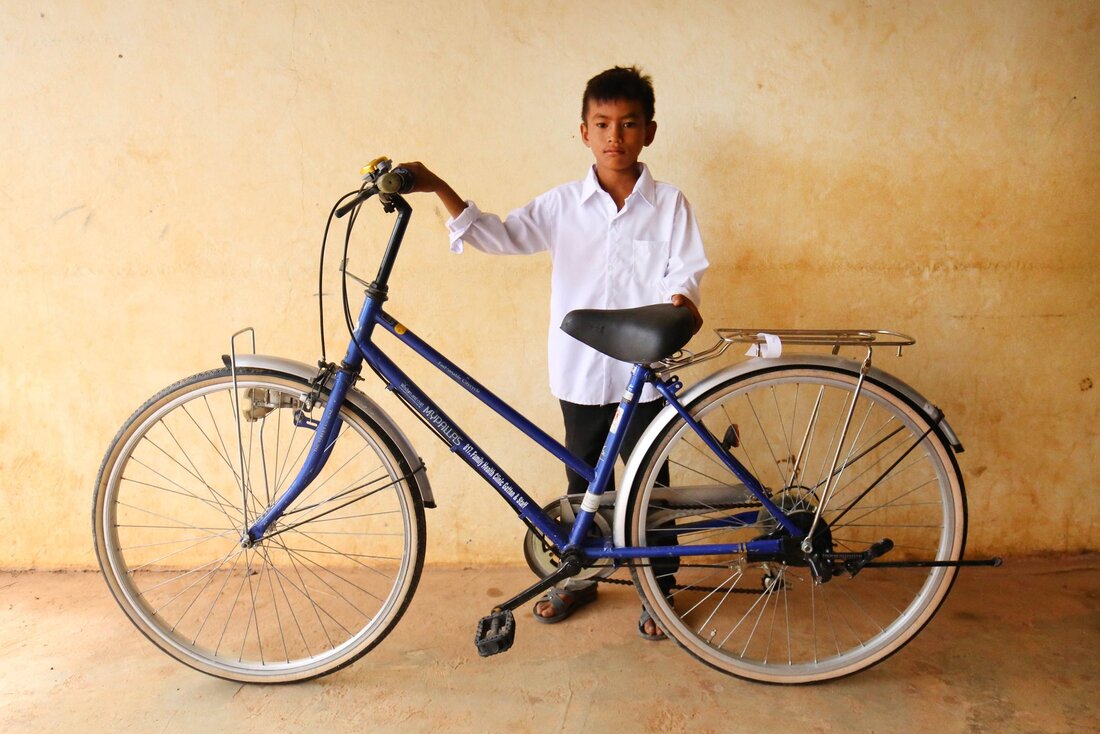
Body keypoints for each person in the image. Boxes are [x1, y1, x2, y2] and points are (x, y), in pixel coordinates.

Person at [401, 65, 708, 640]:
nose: (615, 136)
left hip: (645, 375)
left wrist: (680, 302)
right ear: (584, 132)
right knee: (583, 482)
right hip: (581, 372)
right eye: (603, 124)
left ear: (649, 131)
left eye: (629, 124)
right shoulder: (563, 205)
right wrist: (439, 186)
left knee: (652, 487)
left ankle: (660, 589)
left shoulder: (670, 205)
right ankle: (579, 576)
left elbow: (685, 271)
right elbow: (497, 234)